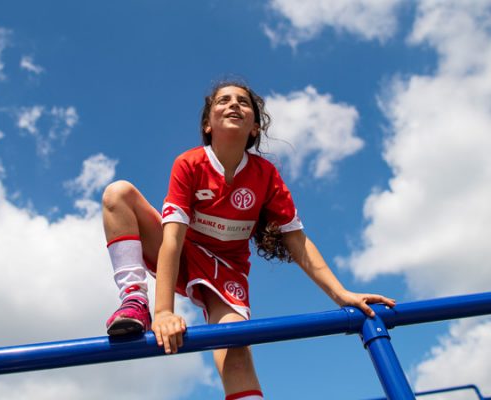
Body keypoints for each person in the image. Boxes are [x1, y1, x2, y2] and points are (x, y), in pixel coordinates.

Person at [102, 80, 395, 400]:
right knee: (119, 193)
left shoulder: (265, 174)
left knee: (236, 345)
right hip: (181, 251)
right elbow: (172, 239)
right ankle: (134, 301)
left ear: (255, 127)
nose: (233, 105)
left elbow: (297, 242)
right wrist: (163, 313)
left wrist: (341, 295)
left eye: (243, 102)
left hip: (226, 268)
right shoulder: (189, 163)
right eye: (223, 100)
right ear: (207, 124)